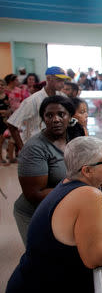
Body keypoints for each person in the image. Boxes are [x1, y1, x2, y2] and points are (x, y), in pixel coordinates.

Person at [6, 136, 102, 292]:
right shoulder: (89, 194)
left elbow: (95, 216)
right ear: (87, 170)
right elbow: (96, 258)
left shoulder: (68, 183)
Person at [12, 95, 83, 244]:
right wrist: (80, 186)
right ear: (43, 119)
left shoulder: (73, 135)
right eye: (49, 115)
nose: (55, 119)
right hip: (35, 213)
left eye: (61, 114)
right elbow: (35, 194)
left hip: (62, 209)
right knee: (41, 260)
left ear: (70, 116)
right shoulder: (35, 148)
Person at [7, 66, 70, 151]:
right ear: (49, 78)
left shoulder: (62, 97)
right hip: (36, 148)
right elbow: (12, 124)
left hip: (56, 147)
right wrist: (22, 149)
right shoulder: (33, 100)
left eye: (63, 80)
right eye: (59, 80)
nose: (62, 83)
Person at [0, 79, 11, 164]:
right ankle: (0, 158)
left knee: (4, 139)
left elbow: (11, 108)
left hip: (5, 121)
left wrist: (8, 112)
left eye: (2, 85)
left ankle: (8, 156)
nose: (0, 86)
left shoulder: (8, 96)